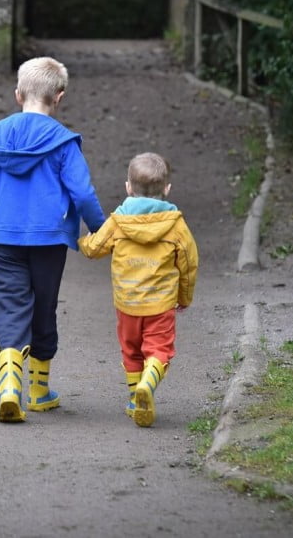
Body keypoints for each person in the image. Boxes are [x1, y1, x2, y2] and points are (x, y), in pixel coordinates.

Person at [0, 56, 106, 423]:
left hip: (2, 238)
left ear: (17, 95)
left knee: (10, 305)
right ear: (59, 97)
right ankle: (39, 392)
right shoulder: (63, 142)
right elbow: (84, 194)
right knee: (44, 305)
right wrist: (100, 229)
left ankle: (10, 388)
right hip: (48, 240)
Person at [77, 152, 199, 427]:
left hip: (127, 304)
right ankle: (148, 384)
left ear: (128, 187)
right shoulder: (176, 225)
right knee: (159, 351)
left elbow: (95, 248)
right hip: (160, 305)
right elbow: (189, 263)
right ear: (167, 189)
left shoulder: (118, 222)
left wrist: (80, 240)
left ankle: (135, 399)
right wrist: (184, 296)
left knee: (131, 351)